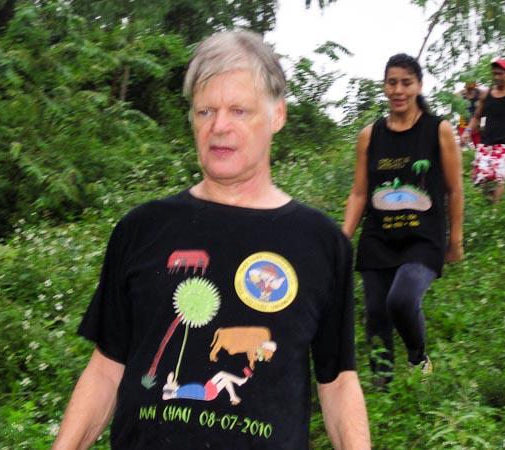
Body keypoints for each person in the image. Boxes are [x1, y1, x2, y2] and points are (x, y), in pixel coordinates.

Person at [52, 30, 371, 450]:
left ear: (277, 115)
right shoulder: (141, 228)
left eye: (239, 110)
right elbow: (107, 368)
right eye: (206, 111)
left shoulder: (322, 242)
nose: (219, 126)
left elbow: (338, 382)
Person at [342, 53, 464, 383]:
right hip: (378, 237)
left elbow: (454, 189)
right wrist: (342, 238)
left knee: (402, 300)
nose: (398, 90)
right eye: (392, 83)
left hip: (423, 237)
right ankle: (383, 388)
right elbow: (359, 193)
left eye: (406, 83)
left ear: (419, 86)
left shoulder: (438, 130)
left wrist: (455, 240)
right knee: (376, 315)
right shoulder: (370, 135)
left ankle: (417, 357)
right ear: (384, 86)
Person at [462, 59, 505, 204]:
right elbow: (477, 117)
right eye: (494, 74)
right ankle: (485, 209)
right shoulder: (486, 94)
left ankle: (495, 211)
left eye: (500, 74)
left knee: (498, 178)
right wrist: (467, 131)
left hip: (504, 145)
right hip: (485, 144)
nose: (496, 77)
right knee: (480, 179)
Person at [456, 80, 483, 148]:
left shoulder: (480, 94)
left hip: (476, 127)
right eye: (469, 88)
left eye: (472, 88)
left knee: (480, 147)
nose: (470, 90)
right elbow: (456, 109)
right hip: (464, 126)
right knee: (461, 145)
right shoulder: (459, 94)